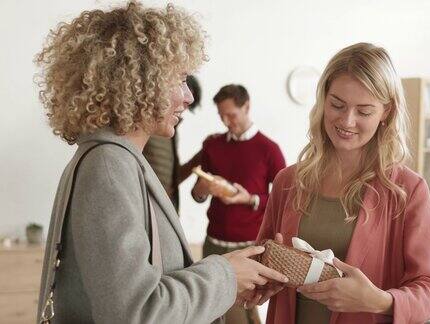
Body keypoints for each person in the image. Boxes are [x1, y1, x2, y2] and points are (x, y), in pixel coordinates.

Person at [34, 2, 288, 323]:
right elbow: (138, 312)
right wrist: (224, 274)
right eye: (180, 79)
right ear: (139, 82)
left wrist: (229, 281)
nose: (189, 96)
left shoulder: (120, 160)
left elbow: (148, 283)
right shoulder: (110, 167)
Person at [252, 43, 430, 324]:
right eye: (337, 105)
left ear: (386, 113)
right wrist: (263, 276)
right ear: (323, 100)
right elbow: (260, 263)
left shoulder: (407, 190)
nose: (347, 120)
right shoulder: (288, 181)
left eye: (364, 111)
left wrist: (378, 301)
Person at [191, 84, 286, 324]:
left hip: (249, 245)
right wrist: (204, 187)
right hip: (213, 243)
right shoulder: (212, 145)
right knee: (213, 311)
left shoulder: (269, 149)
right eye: (221, 116)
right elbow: (197, 194)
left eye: (231, 115)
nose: (226, 121)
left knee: (241, 311)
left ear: (247, 106)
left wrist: (250, 199)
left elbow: (284, 200)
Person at [143, 75, 203, 210]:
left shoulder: (171, 130)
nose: (183, 107)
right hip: (147, 208)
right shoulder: (150, 127)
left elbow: (171, 180)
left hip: (164, 208)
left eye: (187, 105)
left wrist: (199, 158)